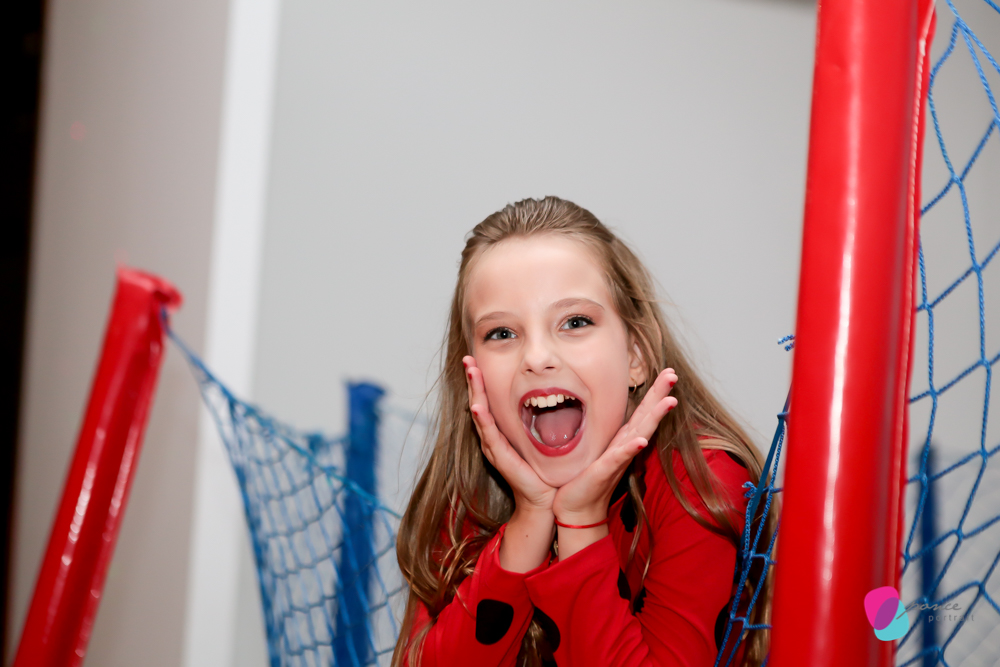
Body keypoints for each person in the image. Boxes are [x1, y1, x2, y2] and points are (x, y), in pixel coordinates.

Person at [392, 197, 773, 667]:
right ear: (473, 373)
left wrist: (581, 523)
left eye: (575, 322)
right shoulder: (469, 491)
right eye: (502, 333)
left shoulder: (701, 483)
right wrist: (531, 518)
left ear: (635, 355)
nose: (537, 357)